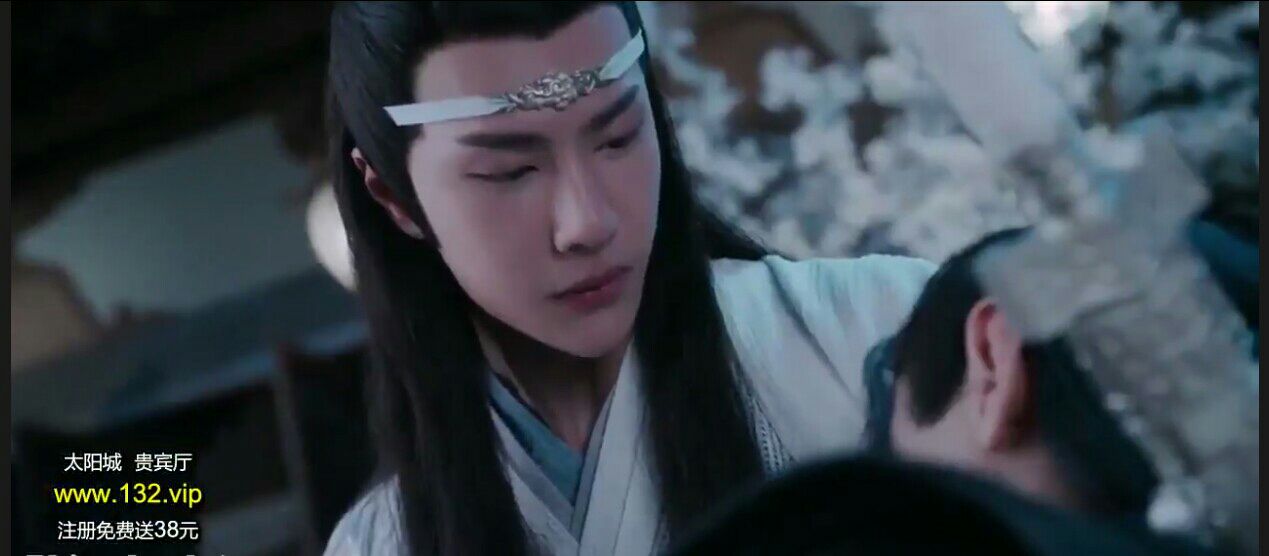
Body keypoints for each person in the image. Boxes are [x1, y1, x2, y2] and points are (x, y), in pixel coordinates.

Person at [322, 2, 933, 555]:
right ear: (392, 196)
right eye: (510, 172)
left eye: (617, 138)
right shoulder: (378, 547)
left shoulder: (884, 331)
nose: (588, 222)